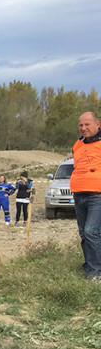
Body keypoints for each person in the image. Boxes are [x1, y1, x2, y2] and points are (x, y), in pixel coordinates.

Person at [71, 112, 101, 281]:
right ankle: (90, 265)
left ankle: (97, 273)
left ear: (97, 124)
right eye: (81, 125)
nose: (83, 128)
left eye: (87, 125)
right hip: (79, 193)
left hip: (97, 194)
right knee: (84, 233)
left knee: (92, 231)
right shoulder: (77, 145)